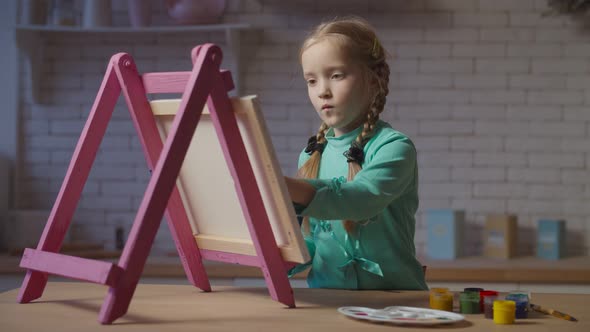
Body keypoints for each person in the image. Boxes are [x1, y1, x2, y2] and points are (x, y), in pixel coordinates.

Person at [284, 16, 428, 290]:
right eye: (311, 81)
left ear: (373, 80)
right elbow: (315, 238)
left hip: (394, 300)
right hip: (329, 302)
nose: (322, 91)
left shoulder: (393, 147)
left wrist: (285, 188)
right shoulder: (311, 154)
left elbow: (361, 200)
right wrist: (288, 257)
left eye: (336, 75)